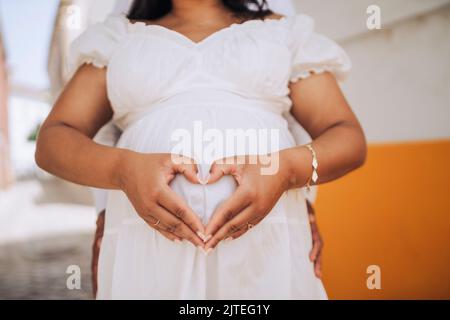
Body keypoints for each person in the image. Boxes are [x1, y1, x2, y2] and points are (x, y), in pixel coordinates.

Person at [36, 0, 366, 299]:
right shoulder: (117, 39)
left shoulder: (282, 33)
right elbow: (54, 140)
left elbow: (346, 136)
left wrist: (288, 170)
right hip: (149, 254)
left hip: (266, 249)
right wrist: (122, 170)